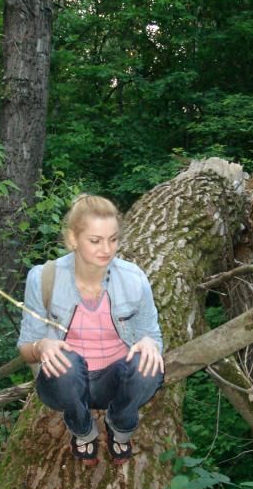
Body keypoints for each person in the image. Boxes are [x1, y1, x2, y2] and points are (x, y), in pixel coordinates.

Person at [17, 195, 164, 465]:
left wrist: (149, 344)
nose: (106, 249)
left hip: (115, 379)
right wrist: (41, 346)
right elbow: (26, 347)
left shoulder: (134, 279)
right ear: (73, 239)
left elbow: (152, 336)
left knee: (150, 365)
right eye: (95, 240)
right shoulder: (43, 278)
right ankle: (82, 428)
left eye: (113, 239)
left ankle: (120, 423)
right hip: (66, 382)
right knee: (65, 363)